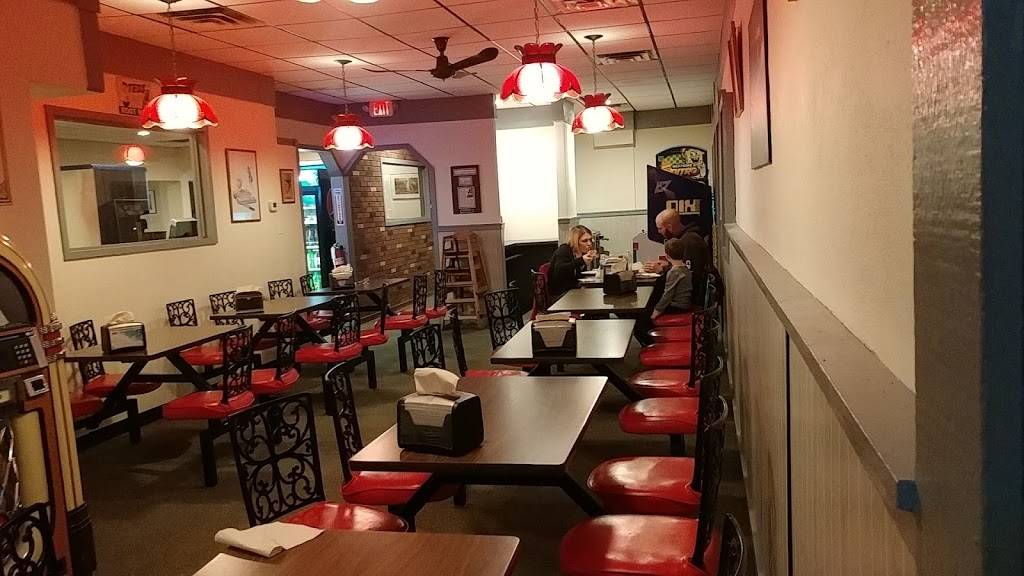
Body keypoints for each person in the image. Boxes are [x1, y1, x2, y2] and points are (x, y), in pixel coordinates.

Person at [548, 225, 597, 298]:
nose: (589, 244)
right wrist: (581, 260)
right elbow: (560, 270)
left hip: (574, 290)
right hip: (560, 294)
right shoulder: (564, 250)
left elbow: (579, 277)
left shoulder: (582, 253)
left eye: (590, 240)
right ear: (575, 242)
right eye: (584, 241)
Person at [651, 238, 693, 320]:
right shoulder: (686, 268)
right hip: (686, 303)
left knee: (649, 307)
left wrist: (656, 310)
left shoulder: (674, 272)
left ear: (667, 256)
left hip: (678, 306)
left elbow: (668, 295)